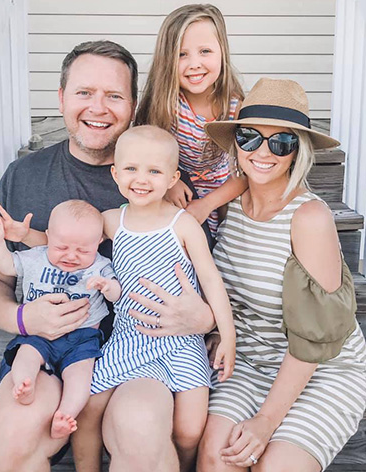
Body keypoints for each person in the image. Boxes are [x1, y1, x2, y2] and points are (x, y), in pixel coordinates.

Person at [0, 40, 215, 472]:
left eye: (114, 95)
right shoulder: (26, 176)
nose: (98, 108)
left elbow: (205, 282)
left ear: (133, 106)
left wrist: (206, 319)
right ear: (62, 97)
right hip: (47, 348)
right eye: (84, 92)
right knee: (12, 437)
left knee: (140, 430)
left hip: (139, 348)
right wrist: (24, 320)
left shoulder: (157, 183)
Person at [192, 78, 366, 471]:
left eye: (282, 142)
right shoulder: (231, 204)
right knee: (216, 456)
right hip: (249, 360)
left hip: (321, 368)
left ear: (297, 152)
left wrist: (267, 420)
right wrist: (221, 332)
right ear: (237, 142)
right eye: (251, 137)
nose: (264, 152)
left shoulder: (309, 218)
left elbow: (314, 335)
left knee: (275, 466)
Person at [89, 125, 234, 472]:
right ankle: (88, 463)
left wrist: (227, 334)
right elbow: (70, 237)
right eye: (132, 169)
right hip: (130, 335)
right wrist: (23, 236)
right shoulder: (112, 221)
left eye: (154, 171)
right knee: (89, 404)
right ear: (115, 173)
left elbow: (211, 281)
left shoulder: (182, 224)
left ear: (172, 178)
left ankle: (181, 465)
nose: (142, 179)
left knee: (188, 429)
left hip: (183, 340)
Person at [0, 200, 121, 439]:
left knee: (81, 376)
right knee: (26, 354)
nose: (71, 256)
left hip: (82, 338)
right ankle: (25, 384)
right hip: (39, 332)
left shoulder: (100, 266)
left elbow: (117, 293)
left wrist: (107, 287)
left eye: (83, 250)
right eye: (61, 247)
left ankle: (65, 415)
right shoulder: (36, 257)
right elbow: (6, 266)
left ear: (99, 243)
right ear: (47, 236)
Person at [135, 3, 248, 237]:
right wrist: (170, 182)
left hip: (223, 199)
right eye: (182, 54)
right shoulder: (165, 105)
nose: (194, 63)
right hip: (172, 195)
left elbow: (245, 174)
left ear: (222, 52)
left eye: (205, 51)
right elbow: (144, 154)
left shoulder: (236, 108)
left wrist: (207, 204)